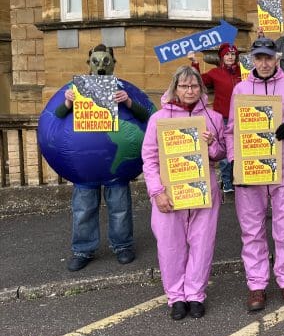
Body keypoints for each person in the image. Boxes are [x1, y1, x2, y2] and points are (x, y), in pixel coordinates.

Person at [227, 37, 284, 311]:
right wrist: (233, 160)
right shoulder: (240, 89)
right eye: (259, 58)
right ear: (252, 59)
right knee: (252, 228)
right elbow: (231, 130)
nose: (263, 63)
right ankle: (257, 285)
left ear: (277, 58)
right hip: (251, 167)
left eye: (268, 57)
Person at [56, 45, 152, 271]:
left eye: (106, 61)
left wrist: (127, 101)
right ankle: (83, 249)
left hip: (114, 166)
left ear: (114, 63)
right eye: (96, 61)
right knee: (83, 208)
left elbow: (146, 115)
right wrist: (68, 103)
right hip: (85, 165)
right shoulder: (76, 88)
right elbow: (58, 116)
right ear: (88, 63)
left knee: (120, 206)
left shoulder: (121, 88)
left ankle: (123, 246)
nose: (101, 66)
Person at [141, 66, 226, 320]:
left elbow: (222, 154)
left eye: (194, 86)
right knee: (170, 246)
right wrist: (157, 191)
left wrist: (212, 145)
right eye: (184, 86)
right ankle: (176, 296)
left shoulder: (214, 118)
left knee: (202, 244)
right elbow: (149, 158)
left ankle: (196, 294)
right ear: (175, 88)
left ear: (201, 89)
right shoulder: (158, 119)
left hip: (203, 191)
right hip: (169, 192)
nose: (189, 91)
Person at [187, 43, 242, 193]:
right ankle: (227, 182)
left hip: (242, 116)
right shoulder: (215, 73)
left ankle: (240, 179)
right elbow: (198, 81)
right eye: (227, 54)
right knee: (224, 152)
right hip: (223, 117)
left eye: (232, 54)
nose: (230, 57)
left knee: (242, 149)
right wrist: (194, 62)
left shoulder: (243, 72)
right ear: (222, 57)